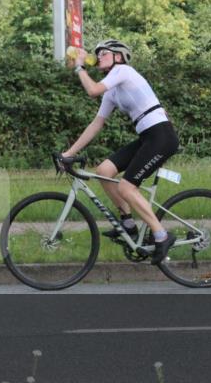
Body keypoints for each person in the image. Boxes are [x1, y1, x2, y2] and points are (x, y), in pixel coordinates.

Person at [60, 39, 180, 264]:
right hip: (148, 137)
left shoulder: (123, 71)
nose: (99, 57)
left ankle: (162, 236)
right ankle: (128, 223)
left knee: (126, 187)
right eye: (98, 54)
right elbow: (96, 124)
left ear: (118, 56)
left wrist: (79, 66)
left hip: (161, 136)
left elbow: (92, 90)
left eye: (103, 53)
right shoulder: (112, 91)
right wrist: (69, 153)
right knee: (104, 171)